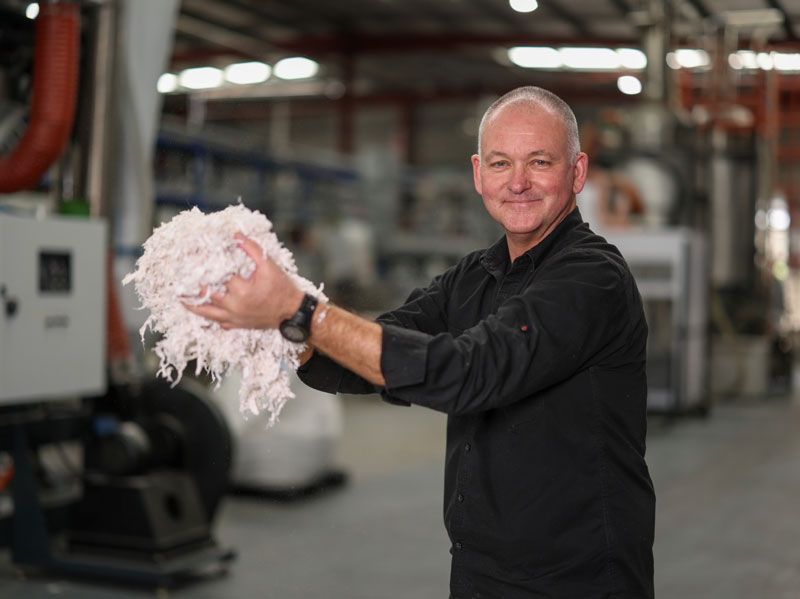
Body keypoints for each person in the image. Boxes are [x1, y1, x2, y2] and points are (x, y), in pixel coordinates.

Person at [187, 86, 656, 598]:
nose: (517, 182)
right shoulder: (473, 277)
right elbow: (369, 352)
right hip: (481, 569)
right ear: (478, 174)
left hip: (578, 579)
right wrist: (270, 323)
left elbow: (469, 374)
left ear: (577, 172)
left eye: (539, 161)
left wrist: (299, 310)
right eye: (501, 164)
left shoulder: (593, 278)